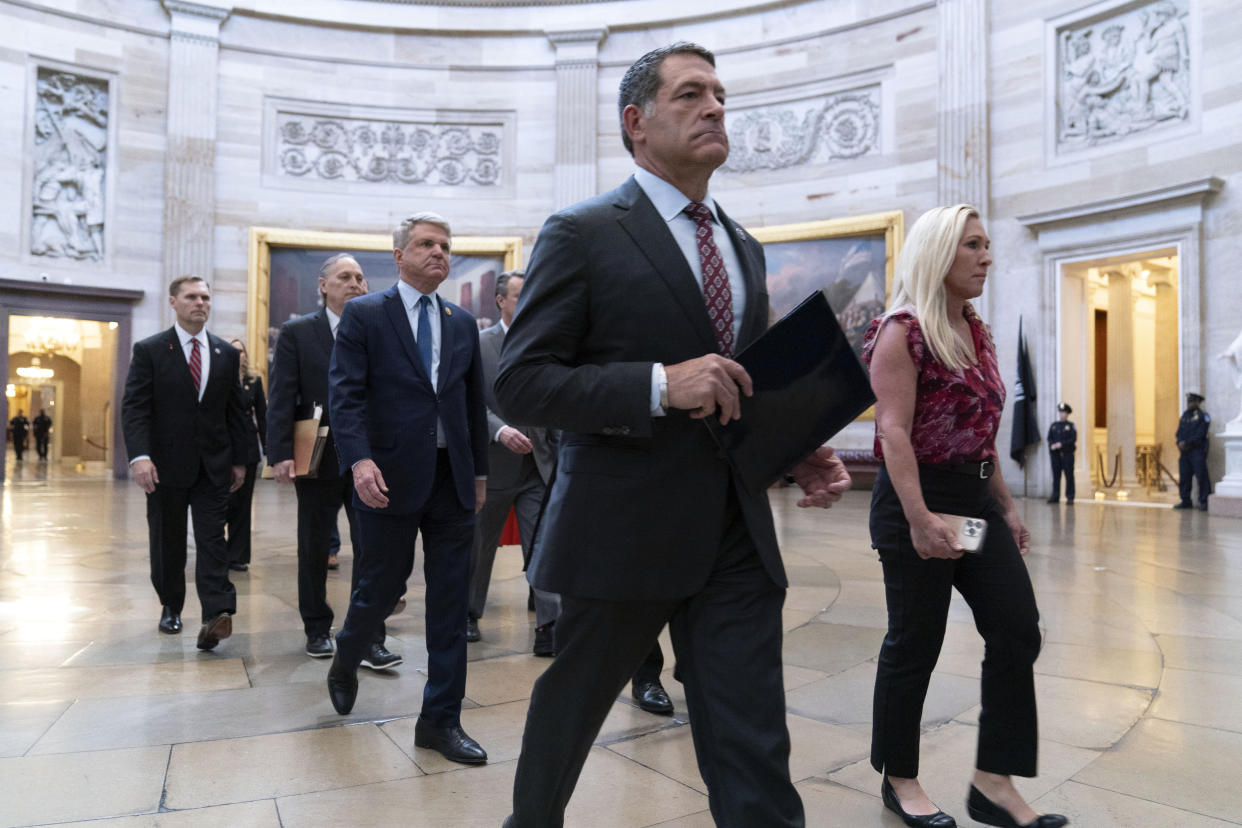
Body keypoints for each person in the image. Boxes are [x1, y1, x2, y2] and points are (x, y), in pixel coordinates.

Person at [495, 42, 852, 827]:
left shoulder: (743, 245)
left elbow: (739, 383)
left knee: (754, 739)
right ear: (637, 121)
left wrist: (796, 444)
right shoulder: (583, 232)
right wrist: (659, 384)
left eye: (720, 94)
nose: (716, 107)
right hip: (619, 529)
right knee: (568, 725)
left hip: (734, 532)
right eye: (691, 94)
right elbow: (519, 381)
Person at [862, 204, 1067, 828]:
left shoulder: (975, 329)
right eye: (972, 246)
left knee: (1017, 627)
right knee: (915, 641)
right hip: (917, 504)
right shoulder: (903, 329)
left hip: (973, 506)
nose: (987, 257)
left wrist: (1005, 507)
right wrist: (920, 517)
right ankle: (900, 779)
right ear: (938, 253)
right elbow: (894, 432)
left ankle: (992, 782)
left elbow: (980, 432)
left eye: (986, 245)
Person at [325, 212, 491, 767]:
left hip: (451, 482)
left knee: (450, 603)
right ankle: (348, 655)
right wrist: (359, 461)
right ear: (399, 256)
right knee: (378, 589)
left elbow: (470, 405)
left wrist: (481, 474)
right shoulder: (365, 315)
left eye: (445, 245)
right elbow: (345, 396)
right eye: (426, 244)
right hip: (387, 478)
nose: (439, 252)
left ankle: (440, 720)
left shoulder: (461, 321)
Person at [267, 254, 399, 664]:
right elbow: (282, 395)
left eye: (360, 278)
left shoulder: (379, 330)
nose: (356, 283)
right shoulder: (298, 332)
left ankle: (369, 637)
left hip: (370, 456)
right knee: (314, 544)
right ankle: (317, 628)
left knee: (373, 549)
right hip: (317, 450)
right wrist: (279, 454)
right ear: (323, 285)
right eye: (345, 277)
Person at [121, 276, 248, 650]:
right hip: (164, 467)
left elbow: (236, 412)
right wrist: (140, 457)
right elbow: (135, 408)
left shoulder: (226, 353)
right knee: (168, 540)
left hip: (213, 466)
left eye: (206, 297)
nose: (200, 303)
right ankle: (170, 606)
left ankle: (216, 614)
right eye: (192, 297)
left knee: (213, 540)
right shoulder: (150, 350)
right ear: (174, 302)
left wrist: (240, 461)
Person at [466, 270, 560, 653]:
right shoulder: (480, 343)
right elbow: (470, 401)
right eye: (520, 294)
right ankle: (469, 613)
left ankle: (549, 624)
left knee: (543, 541)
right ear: (501, 300)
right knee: (479, 544)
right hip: (492, 464)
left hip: (539, 464)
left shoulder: (547, 343)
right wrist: (499, 430)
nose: (528, 301)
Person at [225, 339, 267, 572]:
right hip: (224, 448)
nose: (237, 354)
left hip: (248, 448)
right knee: (222, 503)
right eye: (233, 350)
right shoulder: (219, 378)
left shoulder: (253, 381)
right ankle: (217, 550)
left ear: (245, 355)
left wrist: (270, 449)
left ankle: (237, 556)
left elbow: (262, 417)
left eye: (240, 350)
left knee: (242, 504)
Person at [1175, 392, 1211, 511]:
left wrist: (1187, 443)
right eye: (1189, 401)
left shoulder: (1203, 416)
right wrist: (1180, 442)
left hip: (1197, 451)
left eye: (1192, 401)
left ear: (1198, 402)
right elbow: (1179, 432)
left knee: (1202, 477)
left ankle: (1204, 501)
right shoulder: (1185, 415)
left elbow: (1200, 434)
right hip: (1184, 453)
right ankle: (1185, 500)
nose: (1190, 403)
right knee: (1184, 477)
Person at [1046, 403, 1076, 505]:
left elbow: (1073, 439)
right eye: (1060, 412)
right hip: (1056, 455)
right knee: (1056, 476)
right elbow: (1049, 438)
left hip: (1067, 454)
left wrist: (1061, 444)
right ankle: (1055, 495)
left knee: (1069, 476)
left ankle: (1070, 497)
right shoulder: (1054, 426)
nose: (1062, 414)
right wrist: (1052, 445)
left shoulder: (1071, 426)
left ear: (1067, 414)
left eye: (1064, 412)